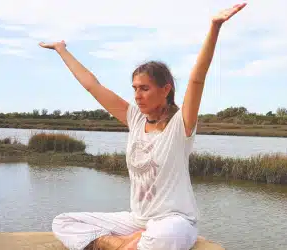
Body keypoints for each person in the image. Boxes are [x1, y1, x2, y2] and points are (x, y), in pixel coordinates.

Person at [39, 3, 246, 250]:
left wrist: (214, 27)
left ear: (166, 90)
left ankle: (129, 243)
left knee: (163, 237)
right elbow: (92, 85)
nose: (137, 95)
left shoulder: (181, 126)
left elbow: (197, 78)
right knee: (64, 221)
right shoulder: (135, 119)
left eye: (144, 88)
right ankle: (117, 243)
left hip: (174, 221)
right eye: (135, 88)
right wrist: (62, 50)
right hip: (137, 220)